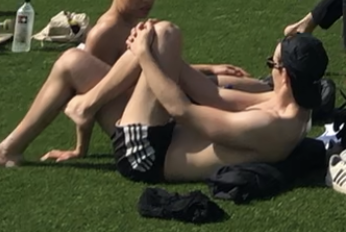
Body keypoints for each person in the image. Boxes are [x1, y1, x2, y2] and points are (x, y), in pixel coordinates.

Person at [0, 0, 249, 167]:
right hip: (132, 119)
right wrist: (80, 148)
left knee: (230, 81)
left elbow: (143, 72)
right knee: (72, 62)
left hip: (147, 104)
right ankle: (10, 148)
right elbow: (93, 96)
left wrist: (209, 68)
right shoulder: (105, 32)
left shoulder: (130, 23)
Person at [112, 23, 327, 184]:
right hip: (166, 134)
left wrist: (144, 55)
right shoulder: (294, 105)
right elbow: (214, 95)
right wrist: (164, 54)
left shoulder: (269, 124)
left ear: (286, 76)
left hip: (145, 157)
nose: (270, 68)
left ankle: (86, 105)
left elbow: (181, 110)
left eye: (272, 62)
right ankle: (86, 104)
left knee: (162, 36)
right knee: (164, 35)